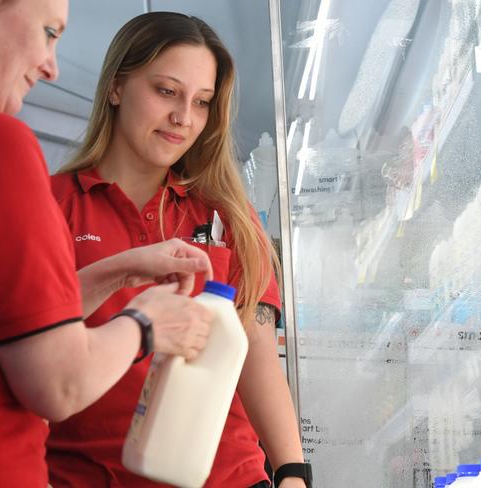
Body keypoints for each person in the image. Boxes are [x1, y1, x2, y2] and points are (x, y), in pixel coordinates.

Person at [0, 2, 216, 487]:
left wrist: (116, 272)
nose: (51, 65)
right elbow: (58, 384)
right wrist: (147, 322)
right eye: (47, 31)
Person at [48, 11, 309, 488]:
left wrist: (292, 472)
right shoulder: (50, 207)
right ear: (116, 87)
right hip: (89, 475)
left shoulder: (225, 214)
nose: (183, 117)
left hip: (227, 477)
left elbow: (253, 349)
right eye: (166, 91)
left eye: (202, 102)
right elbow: (32, 348)